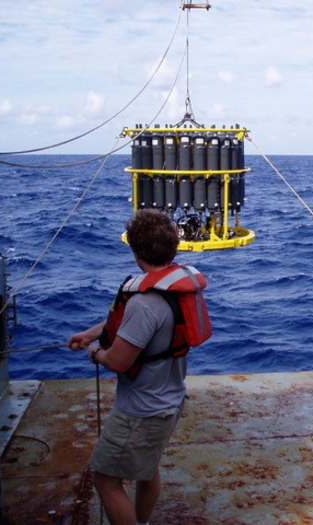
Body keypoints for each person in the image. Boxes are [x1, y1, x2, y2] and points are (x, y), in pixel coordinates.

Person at [68, 209, 211, 525]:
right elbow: (139, 328)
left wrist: (95, 354)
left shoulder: (144, 303)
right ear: (173, 246)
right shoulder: (172, 292)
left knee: (105, 479)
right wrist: (93, 333)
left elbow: (118, 360)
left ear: (135, 251)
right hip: (170, 401)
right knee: (148, 468)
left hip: (142, 411)